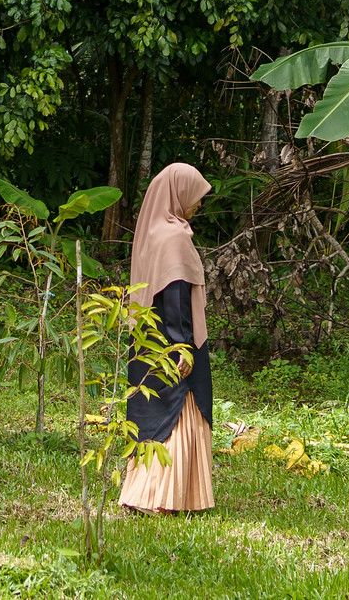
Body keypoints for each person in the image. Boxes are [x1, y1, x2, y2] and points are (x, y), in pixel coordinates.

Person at [117, 161, 214, 514]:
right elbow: (174, 298)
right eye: (196, 196)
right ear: (178, 192)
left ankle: (146, 492)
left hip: (147, 342)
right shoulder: (174, 238)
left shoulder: (154, 232)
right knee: (179, 408)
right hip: (172, 344)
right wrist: (182, 348)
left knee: (153, 410)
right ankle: (162, 497)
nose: (198, 203)